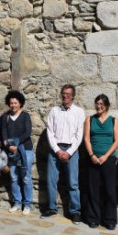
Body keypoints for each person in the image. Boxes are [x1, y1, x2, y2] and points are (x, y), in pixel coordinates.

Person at [43, 84, 85, 224]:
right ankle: (51, 207)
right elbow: (50, 132)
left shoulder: (79, 112)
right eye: (63, 93)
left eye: (68, 94)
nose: (65, 96)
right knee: (51, 180)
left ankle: (75, 211)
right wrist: (57, 150)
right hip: (55, 150)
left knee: (73, 182)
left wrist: (69, 152)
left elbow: (79, 134)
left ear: (73, 96)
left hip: (72, 150)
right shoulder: (54, 111)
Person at [83, 94, 118, 230]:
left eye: (101, 104)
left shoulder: (113, 121)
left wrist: (106, 156)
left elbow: (116, 141)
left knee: (110, 190)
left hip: (108, 159)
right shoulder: (89, 119)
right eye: (97, 104)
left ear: (107, 106)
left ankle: (110, 219)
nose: (99, 106)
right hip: (93, 158)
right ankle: (93, 218)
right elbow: (86, 139)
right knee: (93, 190)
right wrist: (92, 155)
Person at [2, 90, 33, 215]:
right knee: (14, 178)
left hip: (25, 150)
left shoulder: (25, 116)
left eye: (15, 103)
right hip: (11, 151)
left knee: (26, 178)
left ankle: (27, 204)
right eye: (11, 103)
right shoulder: (5, 117)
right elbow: (3, 133)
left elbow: (27, 132)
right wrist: (9, 146)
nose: (13, 105)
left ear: (20, 103)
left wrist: (15, 143)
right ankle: (17, 202)